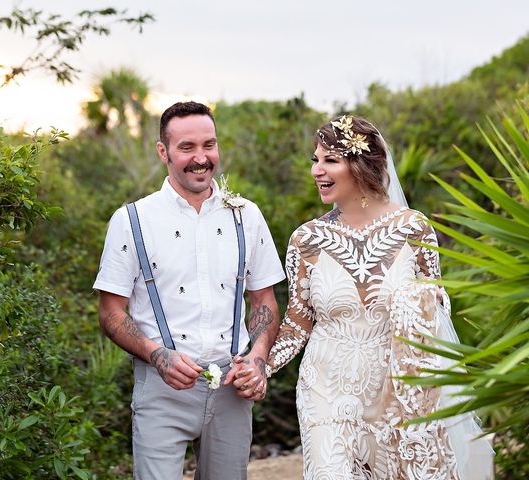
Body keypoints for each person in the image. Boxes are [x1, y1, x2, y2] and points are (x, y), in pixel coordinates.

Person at [265, 115, 493, 479]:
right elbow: (298, 321)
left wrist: (425, 302)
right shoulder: (304, 240)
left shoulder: (414, 229)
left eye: (329, 160)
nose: (316, 170)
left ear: (361, 165)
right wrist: (260, 367)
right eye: (315, 160)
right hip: (325, 389)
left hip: (394, 394)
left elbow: (438, 310)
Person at [94, 101, 285, 479]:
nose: (201, 158)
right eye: (187, 148)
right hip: (161, 390)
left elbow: (264, 301)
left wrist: (258, 359)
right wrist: (158, 355)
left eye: (209, 145)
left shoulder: (247, 215)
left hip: (233, 389)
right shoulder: (132, 220)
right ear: (163, 151)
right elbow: (110, 312)